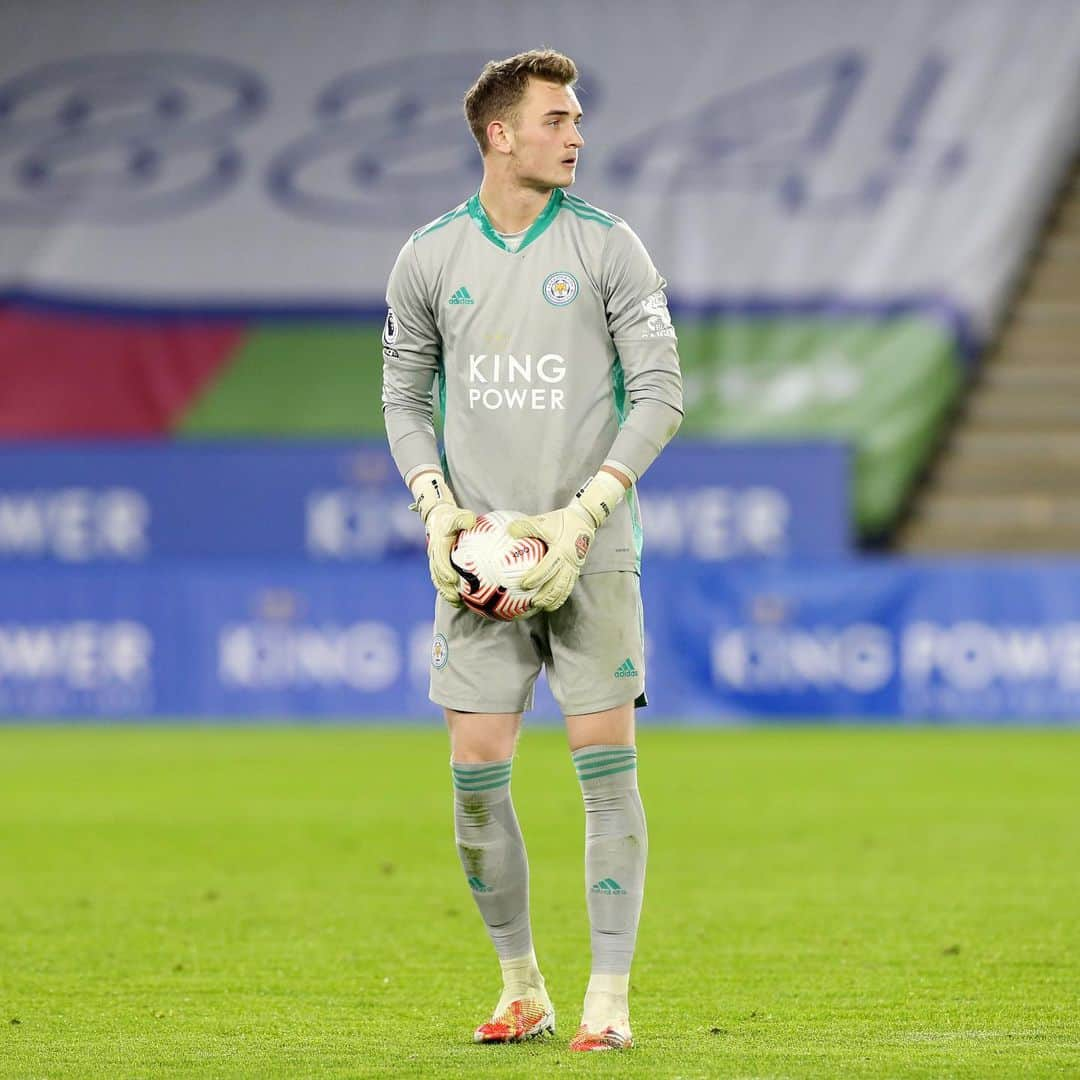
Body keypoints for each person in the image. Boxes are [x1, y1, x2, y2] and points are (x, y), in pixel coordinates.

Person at [381, 48, 682, 1053]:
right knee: (474, 778)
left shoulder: (608, 247)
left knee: (605, 766)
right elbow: (401, 398)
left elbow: (663, 395)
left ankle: (607, 996)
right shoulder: (428, 257)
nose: (577, 134)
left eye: (577, 117)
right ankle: (523, 986)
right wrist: (436, 509)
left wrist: (583, 515)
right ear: (501, 134)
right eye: (558, 118)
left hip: (587, 549)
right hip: (479, 561)